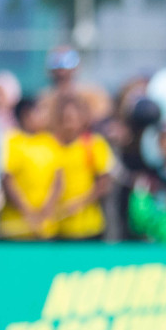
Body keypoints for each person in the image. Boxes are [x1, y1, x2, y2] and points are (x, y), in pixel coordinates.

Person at [0, 96, 62, 241]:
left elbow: (58, 180)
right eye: (38, 113)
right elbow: (7, 180)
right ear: (25, 116)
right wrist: (27, 212)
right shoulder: (12, 140)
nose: (43, 117)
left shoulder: (50, 141)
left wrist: (47, 209)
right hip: (16, 227)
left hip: (46, 225)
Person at [52, 95, 114, 241]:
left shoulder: (93, 144)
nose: (69, 124)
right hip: (57, 227)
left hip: (88, 226)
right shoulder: (52, 145)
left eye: (73, 119)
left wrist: (79, 203)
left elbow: (104, 184)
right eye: (65, 119)